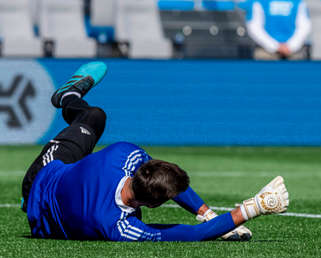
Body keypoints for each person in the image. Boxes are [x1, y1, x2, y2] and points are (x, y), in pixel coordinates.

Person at [21, 62, 289, 242]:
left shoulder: (126, 155)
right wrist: (256, 206)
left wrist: (208, 214)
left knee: (94, 116)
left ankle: (68, 98)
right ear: (152, 205)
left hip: (60, 168)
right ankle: (68, 97)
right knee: (94, 117)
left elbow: (169, 184)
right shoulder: (118, 226)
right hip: (40, 180)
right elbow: (192, 235)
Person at [247, 0, 312, 60]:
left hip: (267, 53)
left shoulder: (259, 0)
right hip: (292, 53)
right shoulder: (296, 1)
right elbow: (304, 26)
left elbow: (254, 27)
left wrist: (275, 47)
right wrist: (289, 46)